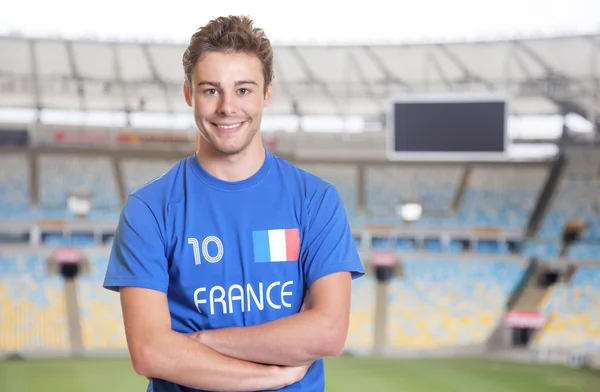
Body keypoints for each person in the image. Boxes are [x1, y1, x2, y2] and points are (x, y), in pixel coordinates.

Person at [103, 14, 364, 392]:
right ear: (189, 94)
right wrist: (271, 375)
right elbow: (149, 352)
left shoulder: (315, 200)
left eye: (243, 90)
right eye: (211, 90)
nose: (227, 107)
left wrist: (202, 342)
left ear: (266, 94)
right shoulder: (149, 209)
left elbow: (328, 333)